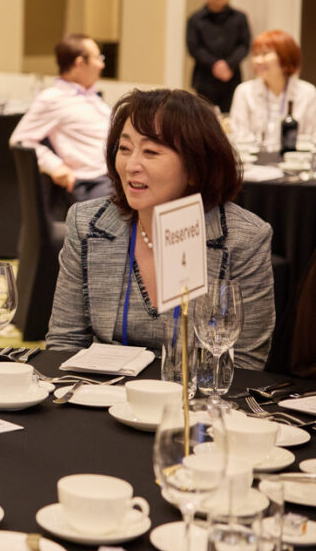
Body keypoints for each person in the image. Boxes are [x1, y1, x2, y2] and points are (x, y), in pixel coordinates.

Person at [46, 88, 274, 369]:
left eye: (151, 152)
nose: (131, 165)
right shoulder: (88, 223)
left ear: (195, 168)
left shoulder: (243, 238)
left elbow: (246, 364)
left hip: (193, 394)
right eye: (124, 148)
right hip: (103, 390)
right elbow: (64, 342)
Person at [9, 33, 112, 202]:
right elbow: (20, 140)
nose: (102, 64)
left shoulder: (92, 96)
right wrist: (55, 166)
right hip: (91, 182)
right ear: (80, 63)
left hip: (114, 176)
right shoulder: (52, 99)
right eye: (97, 58)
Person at [230, 29, 316, 141]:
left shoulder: (307, 92)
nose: (258, 60)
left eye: (265, 53)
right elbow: (239, 135)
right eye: (256, 54)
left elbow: (312, 137)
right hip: (254, 152)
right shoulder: (244, 91)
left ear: (285, 56)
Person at [186, 0, 252, 113]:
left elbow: (244, 45)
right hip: (205, 79)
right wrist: (215, 65)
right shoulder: (195, 19)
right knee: (204, 117)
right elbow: (194, 48)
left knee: (232, 117)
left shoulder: (239, 17)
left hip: (231, 78)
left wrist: (228, 65)